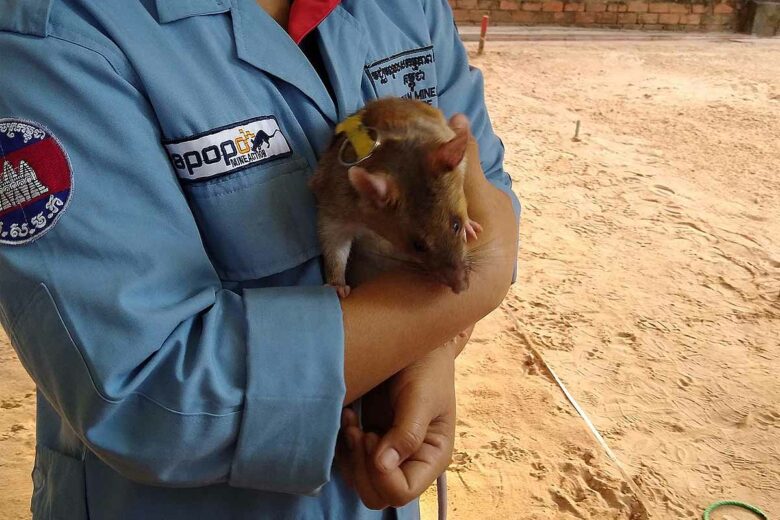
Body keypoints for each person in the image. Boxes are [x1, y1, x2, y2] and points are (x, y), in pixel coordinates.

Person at [0, 0, 520, 518]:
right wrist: (476, 284)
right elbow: (147, 394)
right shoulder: (56, 36)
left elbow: (486, 187)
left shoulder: (410, 7)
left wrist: (429, 354)